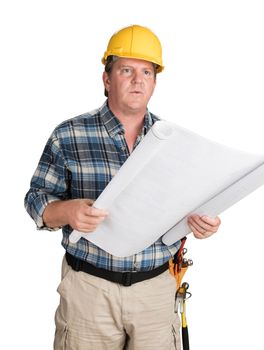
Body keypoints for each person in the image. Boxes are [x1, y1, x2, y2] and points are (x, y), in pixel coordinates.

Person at [24, 24, 221, 350]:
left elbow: (187, 203)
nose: (137, 80)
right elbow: (36, 198)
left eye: (147, 71)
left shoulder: (174, 142)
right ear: (107, 78)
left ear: (155, 82)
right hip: (89, 291)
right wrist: (68, 211)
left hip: (156, 291)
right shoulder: (69, 135)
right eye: (126, 70)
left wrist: (201, 220)